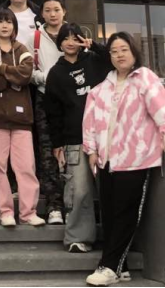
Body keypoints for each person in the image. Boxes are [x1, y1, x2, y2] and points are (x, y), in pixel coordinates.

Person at [82, 32, 165, 287]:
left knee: (126, 214)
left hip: (136, 158)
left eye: (124, 49)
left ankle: (109, 267)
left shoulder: (144, 78)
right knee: (109, 215)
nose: (119, 55)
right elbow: (90, 122)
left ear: (133, 52)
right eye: (114, 51)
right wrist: (91, 151)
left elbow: (162, 107)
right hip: (106, 161)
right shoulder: (101, 88)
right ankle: (122, 267)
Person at [43, 23, 111, 253]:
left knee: (111, 188)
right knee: (79, 190)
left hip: (105, 135)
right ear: (59, 43)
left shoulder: (95, 61)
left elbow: (115, 61)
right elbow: (53, 113)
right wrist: (57, 143)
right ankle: (78, 237)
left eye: (75, 38)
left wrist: (95, 46)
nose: (70, 43)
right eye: (65, 38)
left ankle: (115, 240)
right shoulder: (55, 73)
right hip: (74, 138)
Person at [0, 8, 43, 228]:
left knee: (26, 167)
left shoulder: (22, 49)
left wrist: (0, 69)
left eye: (9, 21)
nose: (5, 25)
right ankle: (5, 211)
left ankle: (28, 212)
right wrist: (11, 78)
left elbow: (25, 75)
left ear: (14, 26)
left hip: (21, 120)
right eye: (0, 21)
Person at [30, 0, 68, 225]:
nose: (52, 14)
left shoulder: (73, 34)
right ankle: (54, 206)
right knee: (46, 153)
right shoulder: (34, 37)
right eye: (47, 10)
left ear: (64, 11)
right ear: (41, 13)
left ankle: (72, 205)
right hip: (44, 97)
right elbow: (27, 69)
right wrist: (47, 77)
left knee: (73, 152)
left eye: (56, 9)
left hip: (71, 101)